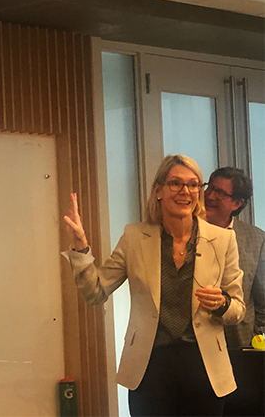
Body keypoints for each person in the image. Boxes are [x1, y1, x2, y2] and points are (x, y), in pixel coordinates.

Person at [62, 154, 245, 416]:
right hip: (149, 369)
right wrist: (80, 248)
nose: (186, 191)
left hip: (204, 369)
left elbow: (238, 309)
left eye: (194, 184)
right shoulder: (135, 237)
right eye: (175, 183)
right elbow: (95, 291)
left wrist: (222, 304)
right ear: (158, 190)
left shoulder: (223, 239)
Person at [204, 167, 265, 348]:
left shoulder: (256, 239)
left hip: (239, 342)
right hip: (194, 342)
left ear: (237, 204)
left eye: (220, 193)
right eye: (210, 188)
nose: (210, 196)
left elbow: (262, 299)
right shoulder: (187, 231)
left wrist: (254, 335)